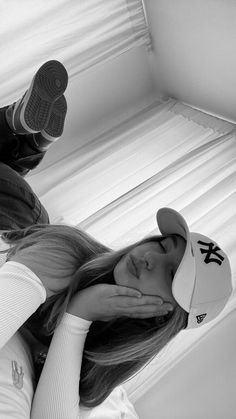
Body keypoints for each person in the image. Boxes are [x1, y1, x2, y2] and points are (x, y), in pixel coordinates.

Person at [0, 61, 233, 419]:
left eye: (170, 274)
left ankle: (27, 137)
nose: (149, 256)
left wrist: (78, 315)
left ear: (164, 316)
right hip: (23, 222)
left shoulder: (106, 360)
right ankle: (22, 134)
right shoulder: (66, 255)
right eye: (161, 244)